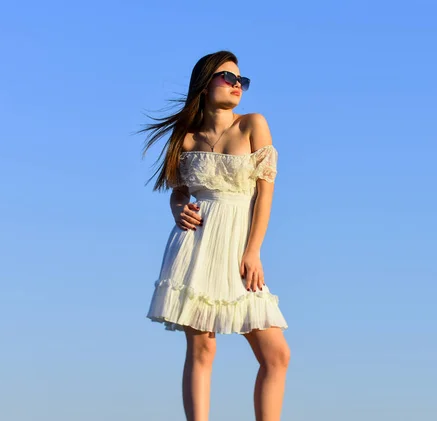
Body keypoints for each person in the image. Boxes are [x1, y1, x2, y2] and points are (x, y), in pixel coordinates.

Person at [140, 50, 290, 421]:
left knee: (276, 354)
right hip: (196, 247)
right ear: (206, 84)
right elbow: (178, 192)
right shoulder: (185, 139)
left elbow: (265, 194)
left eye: (242, 80)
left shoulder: (253, 125)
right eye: (228, 78)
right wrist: (178, 210)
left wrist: (253, 251)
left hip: (240, 247)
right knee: (202, 350)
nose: (237, 85)